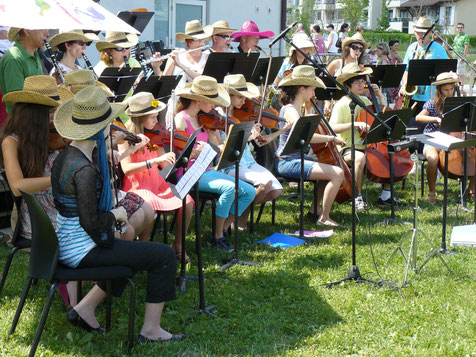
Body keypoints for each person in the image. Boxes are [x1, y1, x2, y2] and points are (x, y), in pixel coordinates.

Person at [51, 86, 183, 343]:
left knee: (130, 250)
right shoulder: (84, 169)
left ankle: (84, 310)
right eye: (109, 124)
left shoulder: (66, 155)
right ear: (100, 128)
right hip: (80, 250)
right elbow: (90, 222)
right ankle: (151, 330)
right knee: (164, 255)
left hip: (69, 243)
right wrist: (117, 215)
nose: (114, 128)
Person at [0, 75, 74, 304]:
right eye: (50, 113)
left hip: (60, 205)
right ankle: (70, 283)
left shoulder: (52, 137)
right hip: (37, 216)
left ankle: (87, 280)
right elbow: (18, 186)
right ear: (33, 114)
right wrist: (54, 179)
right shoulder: (12, 141)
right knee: (80, 230)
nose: (54, 118)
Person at [61, 69, 154, 243]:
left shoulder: (92, 119)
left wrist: (121, 148)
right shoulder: (75, 130)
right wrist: (110, 144)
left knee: (146, 211)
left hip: (98, 190)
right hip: (88, 199)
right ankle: (128, 256)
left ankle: (135, 252)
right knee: (127, 228)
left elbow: (107, 157)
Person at [174, 76, 256, 250]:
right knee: (229, 189)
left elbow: (220, 146)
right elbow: (181, 152)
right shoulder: (182, 119)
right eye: (211, 101)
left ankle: (223, 228)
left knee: (249, 191)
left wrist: (212, 144)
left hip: (206, 169)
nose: (214, 106)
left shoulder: (206, 120)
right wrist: (198, 150)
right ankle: (217, 237)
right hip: (189, 172)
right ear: (198, 100)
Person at [119, 92, 193, 259]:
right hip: (137, 185)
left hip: (158, 183)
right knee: (149, 203)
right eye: (152, 117)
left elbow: (166, 166)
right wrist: (154, 161)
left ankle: (179, 244)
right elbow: (127, 169)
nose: (156, 121)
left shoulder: (156, 136)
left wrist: (185, 157)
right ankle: (143, 246)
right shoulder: (125, 139)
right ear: (139, 119)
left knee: (187, 201)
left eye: (156, 116)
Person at [275, 65, 345, 226]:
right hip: (286, 161)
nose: (314, 94)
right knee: (337, 173)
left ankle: (315, 211)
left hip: (294, 159)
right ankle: (324, 218)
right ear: (301, 89)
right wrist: (331, 138)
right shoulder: (290, 111)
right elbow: (305, 136)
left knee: (328, 168)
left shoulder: (296, 108)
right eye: (312, 89)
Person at [221, 74, 283, 228]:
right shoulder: (219, 117)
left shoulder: (241, 115)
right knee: (264, 184)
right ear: (229, 96)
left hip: (248, 161)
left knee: (276, 190)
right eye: (240, 97)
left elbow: (255, 140)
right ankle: (237, 220)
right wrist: (247, 138)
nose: (244, 100)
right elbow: (224, 145)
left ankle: (239, 212)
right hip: (231, 164)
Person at [329, 63, 390, 210]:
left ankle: (387, 195)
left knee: (391, 152)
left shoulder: (367, 101)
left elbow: (381, 115)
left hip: (367, 145)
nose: (362, 84)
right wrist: (355, 124)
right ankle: (357, 197)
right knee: (360, 158)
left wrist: (380, 96)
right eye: (357, 81)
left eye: (363, 81)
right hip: (347, 147)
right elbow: (332, 128)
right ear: (348, 84)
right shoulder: (342, 104)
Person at [415, 72, 459, 203]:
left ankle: (471, 190)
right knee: (432, 159)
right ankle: (432, 193)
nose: (449, 92)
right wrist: (435, 118)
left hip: (452, 139)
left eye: (452, 89)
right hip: (433, 139)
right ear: (439, 90)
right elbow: (418, 117)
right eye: (446, 90)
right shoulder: (432, 103)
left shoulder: (457, 102)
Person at [400, 17, 448, 116]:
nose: (421, 35)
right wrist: (405, 85)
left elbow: (446, 72)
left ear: (430, 33)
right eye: (418, 32)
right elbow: (406, 69)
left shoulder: (439, 49)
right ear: (414, 32)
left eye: (424, 32)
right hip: (412, 97)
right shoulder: (411, 47)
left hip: (430, 98)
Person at [0, 27, 49, 113]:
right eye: (42, 29)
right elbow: (17, 103)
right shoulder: (14, 59)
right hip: (23, 123)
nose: (47, 34)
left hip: (36, 119)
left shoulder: (35, 53)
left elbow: (37, 90)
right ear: (28, 30)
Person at [163, 20, 212, 90]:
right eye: (197, 39)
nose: (201, 42)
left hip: (198, 99)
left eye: (203, 39)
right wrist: (156, 67)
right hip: (177, 99)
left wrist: (181, 65)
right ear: (188, 41)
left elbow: (202, 79)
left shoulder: (207, 57)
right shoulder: (176, 55)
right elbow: (165, 81)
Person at [453, 23, 470, 88]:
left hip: (461, 57)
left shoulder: (465, 36)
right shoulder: (456, 36)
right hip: (454, 56)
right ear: (456, 28)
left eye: (461, 27)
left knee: (461, 72)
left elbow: (466, 47)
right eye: (459, 27)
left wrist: (463, 57)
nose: (460, 29)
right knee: (456, 72)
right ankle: (456, 86)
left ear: (463, 28)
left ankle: (461, 87)